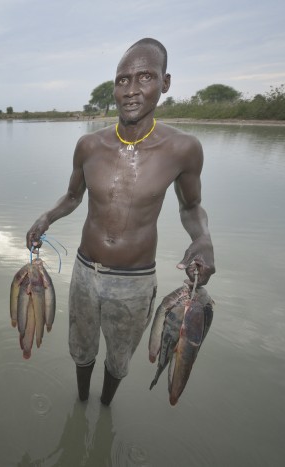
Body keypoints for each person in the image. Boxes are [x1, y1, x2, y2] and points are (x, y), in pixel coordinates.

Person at [26, 38, 215, 406]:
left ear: (165, 83)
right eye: (122, 79)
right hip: (84, 271)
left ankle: (105, 406)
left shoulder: (183, 148)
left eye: (144, 77)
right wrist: (46, 217)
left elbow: (191, 207)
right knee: (81, 351)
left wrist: (204, 238)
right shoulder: (89, 145)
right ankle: (82, 403)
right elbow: (73, 196)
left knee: (119, 359)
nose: (130, 90)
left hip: (135, 280)